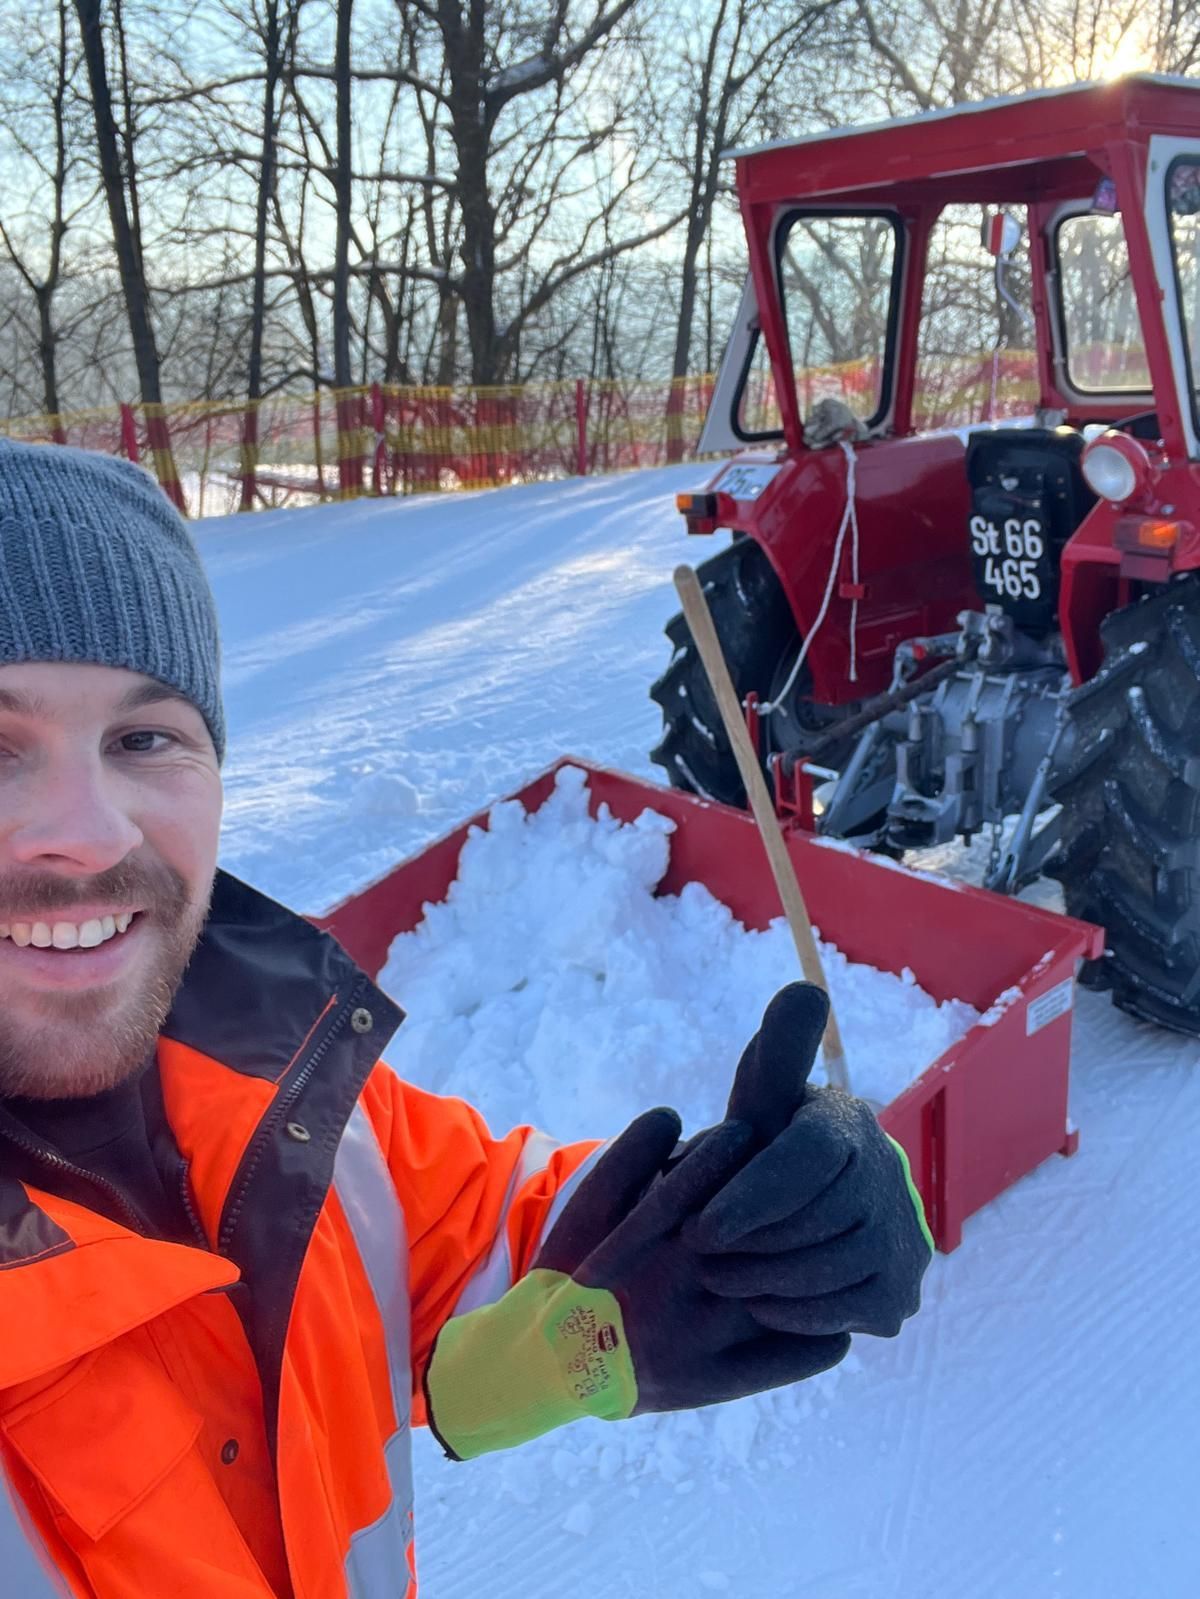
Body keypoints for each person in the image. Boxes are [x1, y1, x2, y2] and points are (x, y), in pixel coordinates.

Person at [0, 438, 933, 1599]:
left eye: (145, 738)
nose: (88, 832)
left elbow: (480, 1241)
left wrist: (762, 1221)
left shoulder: (273, 1085)